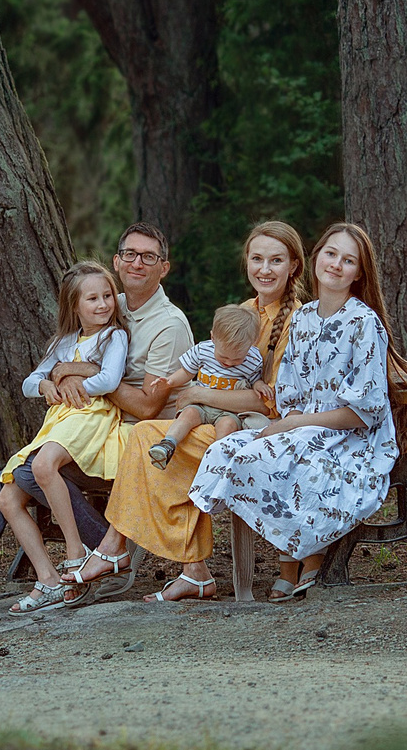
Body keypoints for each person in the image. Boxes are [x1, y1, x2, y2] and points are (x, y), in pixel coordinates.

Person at [0, 223, 193, 630]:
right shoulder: (108, 303)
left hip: (140, 435)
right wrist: (59, 378)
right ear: (116, 261)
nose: (137, 263)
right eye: (130, 254)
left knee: (24, 471)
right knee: (8, 483)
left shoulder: (168, 324)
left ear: (165, 267)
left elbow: (146, 406)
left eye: (149, 256)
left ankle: (102, 551)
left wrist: (81, 371)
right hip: (90, 426)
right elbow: (49, 370)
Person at [65, 221, 307, 602]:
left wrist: (198, 393)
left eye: (275, 260)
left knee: (151, 437)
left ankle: (123, 551)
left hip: (261, 430)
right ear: (246, 262)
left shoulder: (299, 320)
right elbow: (205, 365)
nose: (264, 269)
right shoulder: (242, 312)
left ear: (293, 266)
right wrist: (186, 390)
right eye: (257, 259)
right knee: (148, 435)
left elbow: (273, 400)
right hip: (219, 419)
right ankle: (191, 570)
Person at [188, 221, 400, 602]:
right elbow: (289, 395)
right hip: (302, 425)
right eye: (331, 254)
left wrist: (295, 424)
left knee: (284, 456)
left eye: (348, 260)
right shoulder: (302, 319)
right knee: (227, 449)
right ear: (316, 258)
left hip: (353, 436)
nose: (336, 265)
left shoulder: (364, 322)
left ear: (359, 272)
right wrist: (291, 423)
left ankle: (305, 559)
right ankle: (292, 558)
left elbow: (363, 412)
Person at [0, 263, 130, 608]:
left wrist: (70, 376)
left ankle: (75, 552)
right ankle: (49, 578)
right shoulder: (63, 341)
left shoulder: (114, 336)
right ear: (74, 306)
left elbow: (110, 381)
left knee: (43, 466)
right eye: (93, 299)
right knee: (6, 499)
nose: (103, 304)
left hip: (91, 413)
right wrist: (45, 383)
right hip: (59, 420)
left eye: (107, 296)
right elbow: (29, 383)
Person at [145, 303, 265, 469]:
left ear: (252, 344)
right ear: (213, 338)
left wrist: (259, 384)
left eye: (237, 360)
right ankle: (168, 444)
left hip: (229, 410)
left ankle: (218, 460)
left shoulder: (253, 360)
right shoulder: (203, 350)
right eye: (223, 357)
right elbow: (187, 371)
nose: (229, 363)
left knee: (228, 425)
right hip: (202, 405)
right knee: (188, 414)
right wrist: (170, 381)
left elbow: (254, 379)